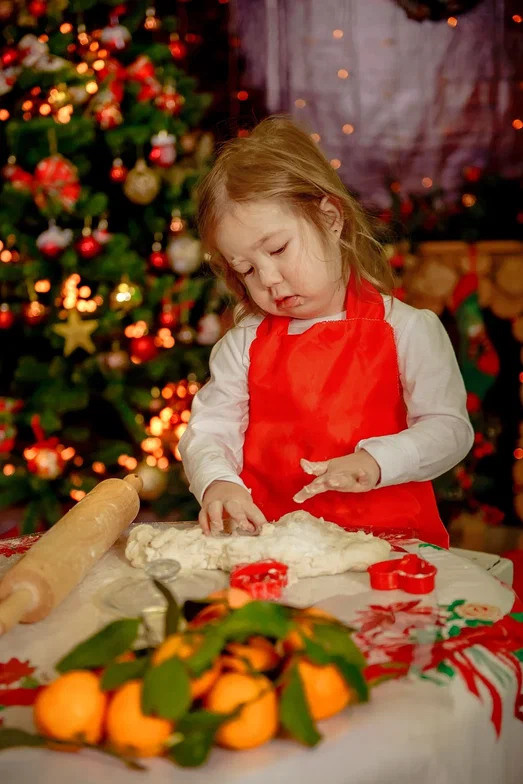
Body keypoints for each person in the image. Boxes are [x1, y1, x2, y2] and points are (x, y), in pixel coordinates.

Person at [178, 116, 473, 548]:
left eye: (278, 249)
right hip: (277, 548)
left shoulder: (407, 329)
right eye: (247, 270)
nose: (270, 279)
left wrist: (376, 461)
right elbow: (209, 432)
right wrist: (217, 483)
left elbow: (450, 429)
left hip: (393, 549)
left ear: (330, 218)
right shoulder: (243, 345)